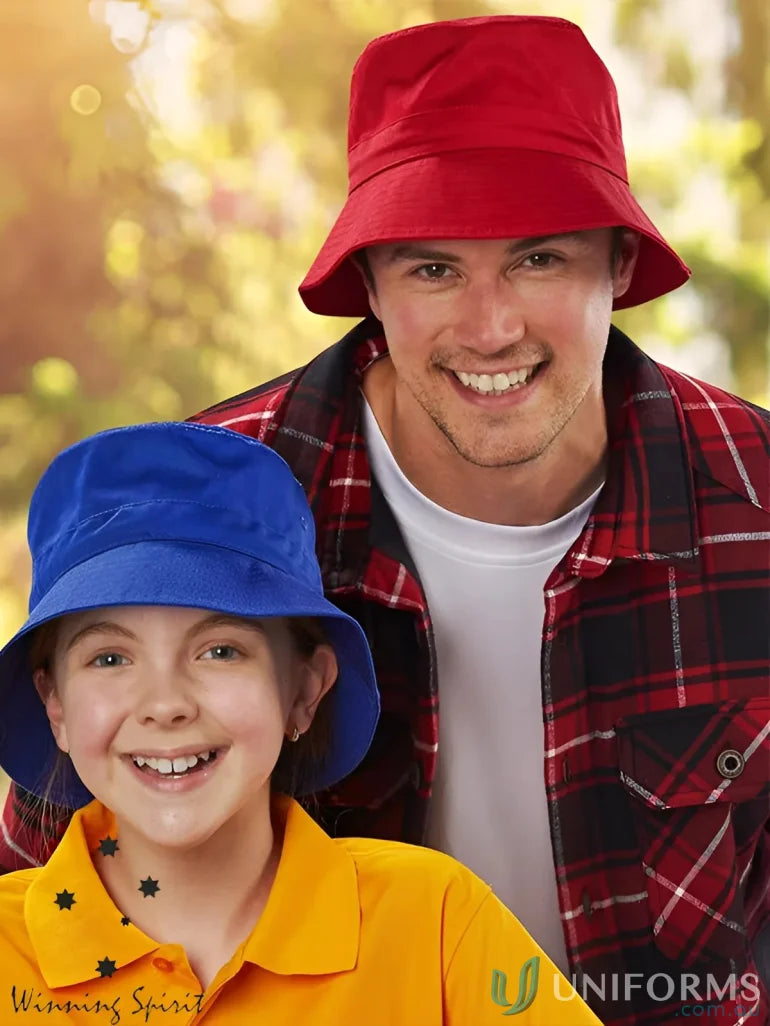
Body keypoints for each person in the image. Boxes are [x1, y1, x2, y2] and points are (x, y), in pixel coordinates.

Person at [2, 14, 768, 1026]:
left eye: (539, 259)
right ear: (368, 282)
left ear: (619, 263)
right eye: (433, 268)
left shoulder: (752, 502)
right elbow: (53, 878)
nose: (490, 327)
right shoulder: (212, 508)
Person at [0, 420, 600, 1024]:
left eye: (220, 651)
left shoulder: (436, 924)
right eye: (109, 658)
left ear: (304, 691)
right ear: (56, 705)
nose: (165, 703)